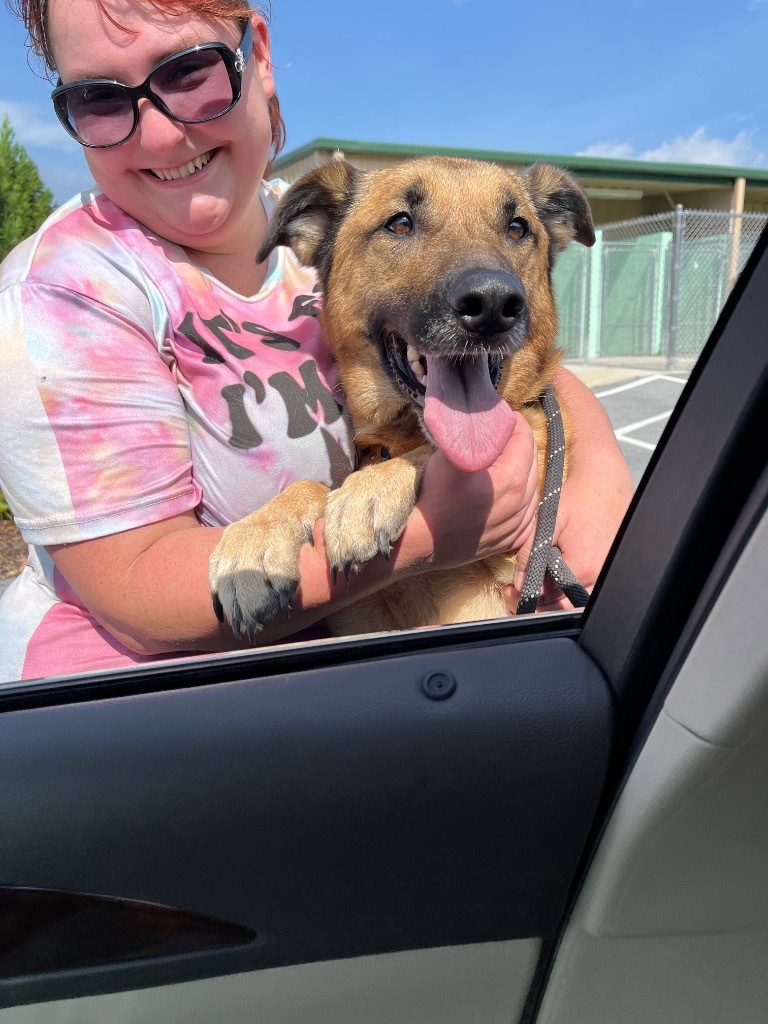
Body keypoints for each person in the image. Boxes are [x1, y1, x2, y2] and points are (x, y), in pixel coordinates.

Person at [0, 0, 633, 683]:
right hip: (138, 712)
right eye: (99, 98)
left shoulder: (311, 230)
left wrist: (597, 484)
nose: (158, 134)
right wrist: (424, 534)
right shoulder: (61, 294)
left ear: (258, 57)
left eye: (188, 72)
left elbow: (532, 359)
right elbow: (137, 591)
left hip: (364, 676)